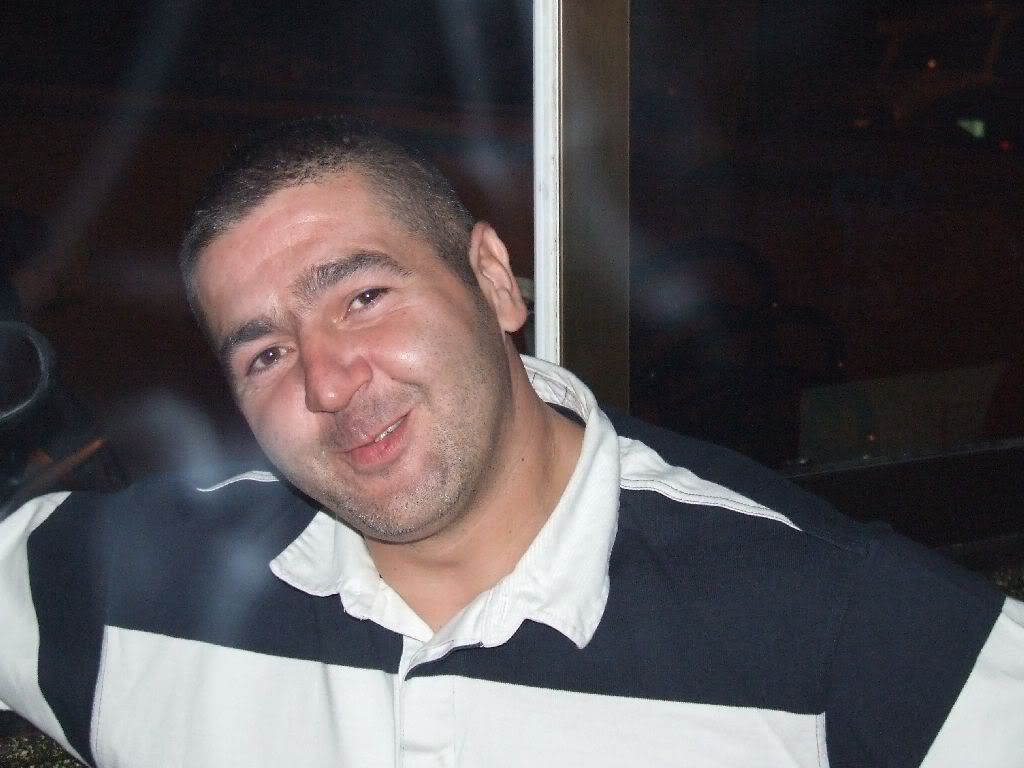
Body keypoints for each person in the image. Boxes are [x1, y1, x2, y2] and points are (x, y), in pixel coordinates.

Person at [1, 116, 1021, 768]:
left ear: (492, 280)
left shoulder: (831, 623)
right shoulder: (132, 589)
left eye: (363, 297)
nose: (327, 381)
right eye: (264, 353)